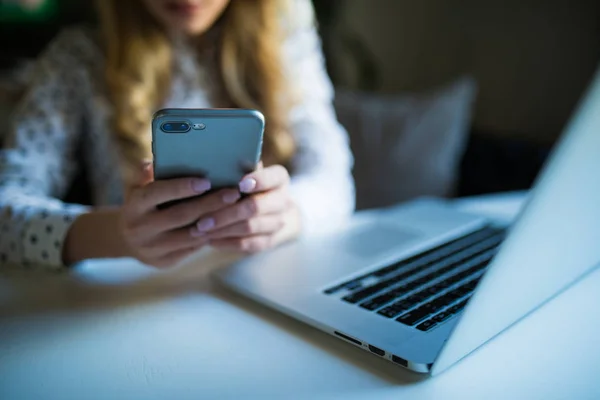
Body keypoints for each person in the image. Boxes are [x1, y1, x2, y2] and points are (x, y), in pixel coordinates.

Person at [0, 0, 354, 269]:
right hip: (131, 301)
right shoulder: (79, 57)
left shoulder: (284, 34)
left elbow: (335, 179)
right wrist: (119, 234)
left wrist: (284, 218)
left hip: (264, 283)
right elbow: (6, 206)